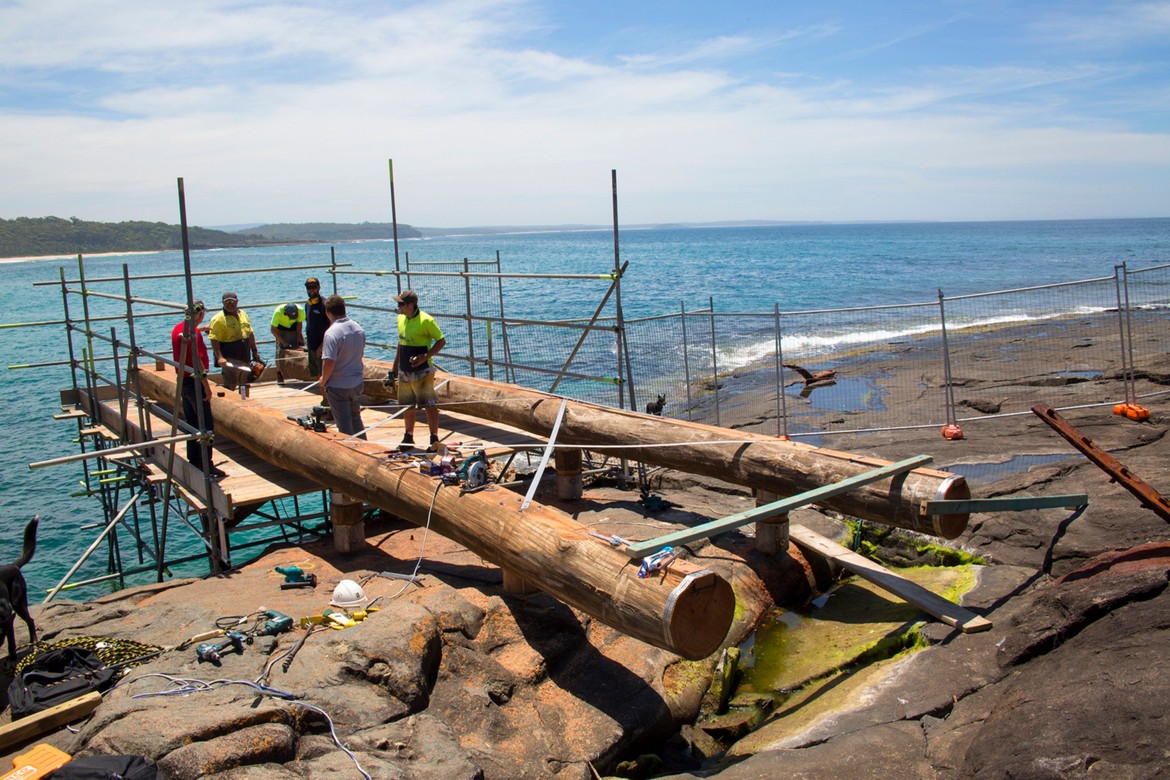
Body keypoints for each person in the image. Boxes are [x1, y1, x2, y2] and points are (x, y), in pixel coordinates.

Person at [170, 300, 226, 479]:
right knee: (206, 426)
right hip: (195, 382)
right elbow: (198, 361)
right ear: (200, 313)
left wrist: (202, 329)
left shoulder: (178, 329)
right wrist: (207, 387)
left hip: (183, 381)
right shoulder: (193, 335)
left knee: (192, 422)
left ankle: (194, 459)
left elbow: (189, 331)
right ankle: (206, 464)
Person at [391, 289, 446, 450]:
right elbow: (400, 343)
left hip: (423, 371)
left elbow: (441, 341)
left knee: (429, 404)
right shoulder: (400, 319)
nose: (398, 307)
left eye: (401, 304)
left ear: (411, 305)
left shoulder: (426, 320)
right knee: (406, 405)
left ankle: (434, 438)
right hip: (404, 370)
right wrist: (394, 368)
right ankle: (408, 436)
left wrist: (425, 356)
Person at [320, 294, 367, 438]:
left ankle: (350, 452)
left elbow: (329, 362)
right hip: (356, 382)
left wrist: (323, 380)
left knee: (344, 423)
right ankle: (364, 447)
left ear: (328, 312)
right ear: (344, 309)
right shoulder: (358, 328)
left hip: (338, 385)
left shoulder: (331, 334)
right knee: (356, 419)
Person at [208, 291, 262, 390]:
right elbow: (214, 339)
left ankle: (244, 402)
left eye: (232, 302)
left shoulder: (243, 314)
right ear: (222, 303)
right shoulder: (218, 319)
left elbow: (250, 333)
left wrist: (255, 351)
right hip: (229, 358)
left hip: (245, 356)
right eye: (227, 302)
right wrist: (219, 357)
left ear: (237, 302)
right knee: (230, 385)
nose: (230, 304)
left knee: (245, 384)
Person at [270, 302, 305, 384]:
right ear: (285, 313)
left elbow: (299, 324)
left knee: (301, 348)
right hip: (281, 329)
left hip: (294, 328)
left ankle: (301, 372)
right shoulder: (278, 312)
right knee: (279, 352)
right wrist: (284, 342)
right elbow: (273, 330)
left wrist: (299, 337)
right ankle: (279, 374)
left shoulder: (301, 310)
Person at [304, 277, 328, 379]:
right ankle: (322, 394)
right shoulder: (307, 304)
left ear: (319, 288)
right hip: (311, 346)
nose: (311, 290)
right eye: (309, 288)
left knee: (324, 376)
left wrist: (323, 345)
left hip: (322, 347)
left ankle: (327, 395)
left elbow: (332, 326)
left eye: (313, 287)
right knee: (317, 376)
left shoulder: (324, 304)